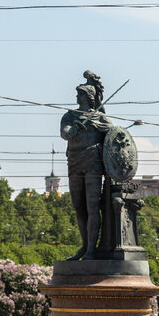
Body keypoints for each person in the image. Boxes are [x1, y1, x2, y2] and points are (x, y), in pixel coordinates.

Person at [61, 75, 112, 260]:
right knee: (78, 206)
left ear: (88, 97)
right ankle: (83, 246)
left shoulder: (100, 118)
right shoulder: (70, 116)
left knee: (92, 206)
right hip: (74, 162)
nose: (77, 97)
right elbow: (64, 134)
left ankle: (91, 249)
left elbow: (114, 138)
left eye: (80, 94)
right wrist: (72, 130)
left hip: (93, 163)